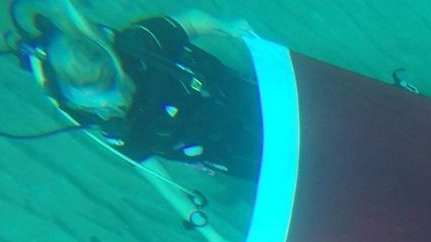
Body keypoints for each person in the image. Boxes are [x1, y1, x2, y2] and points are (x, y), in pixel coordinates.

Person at [14, 1, 261, 180]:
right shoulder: (78, 109)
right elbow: (142, 159)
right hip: (202, 145)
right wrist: (195, 215)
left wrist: (227, 27)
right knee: (258, 168)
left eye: (106, 95)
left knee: (264, 107)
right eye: (91, 104)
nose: (106, 108)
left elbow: (190, 23)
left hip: (219, 90)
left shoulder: (138, 44)